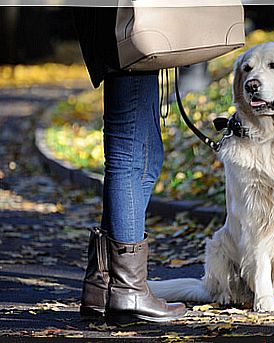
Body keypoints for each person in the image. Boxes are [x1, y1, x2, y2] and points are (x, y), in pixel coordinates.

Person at [71, 7, 186, 323]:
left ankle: (102, 283)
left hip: (118, 28)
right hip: (126, 30)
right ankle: (128, 289)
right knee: (128, 156)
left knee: (146, 156)